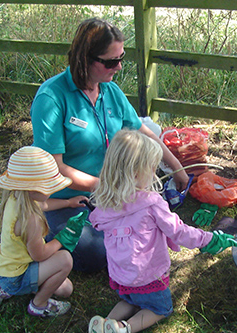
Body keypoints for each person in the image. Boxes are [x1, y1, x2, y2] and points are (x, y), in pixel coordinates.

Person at [30, 18, 189, 273]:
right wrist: (109, 186)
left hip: (110, 192)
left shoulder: (110, 91)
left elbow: (143, 131)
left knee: (148, 228)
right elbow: (55, 169)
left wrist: (176, 166)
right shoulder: (51, 98)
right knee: (100, 253)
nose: (119, 67)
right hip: (67, 200)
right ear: (84, 59)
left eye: (121, 57)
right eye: (110, 61)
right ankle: (47, 235)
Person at [85, 130, 237, 333]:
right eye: (151, 168)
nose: (154, 172)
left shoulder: (104, 202)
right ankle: (124, 329)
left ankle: (105, 323)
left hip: (121, 277)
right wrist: (208, 240)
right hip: (147, 277)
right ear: (137, 172)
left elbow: (95, 222)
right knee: (160, 308)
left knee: (131, 299)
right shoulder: (152, 203)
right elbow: (179, 231)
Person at [0, 146, 89, 317]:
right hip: (17, 276)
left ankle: (8, 289)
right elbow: (40, 256)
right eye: (48, 186)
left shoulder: (17, 198)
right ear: (33, 189)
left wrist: (68, 203)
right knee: (65, 260)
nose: (52, 189)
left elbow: (44, 204)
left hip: (7, 269)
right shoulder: (31, 220)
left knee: (66, 289)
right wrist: (63, 237)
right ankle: (38, 304)